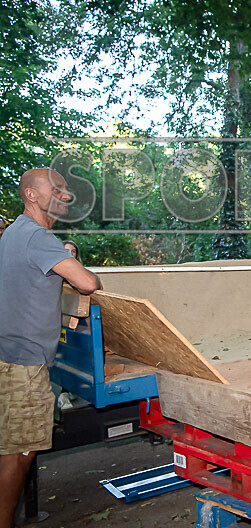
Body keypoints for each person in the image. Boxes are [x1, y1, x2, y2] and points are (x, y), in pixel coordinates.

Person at [0, 169, 102, 528]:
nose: (65, 194)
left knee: (10, 447)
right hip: (25, 363)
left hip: (8, 355)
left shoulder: (11, 232)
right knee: (19, 454)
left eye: (65, 189)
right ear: (30, 194)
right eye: (55, 188)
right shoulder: (37, 236)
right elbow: (87, 282)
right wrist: (72, 264)